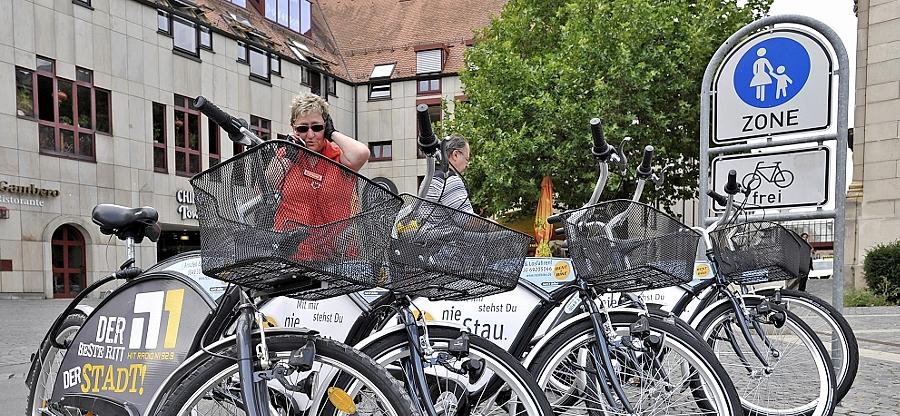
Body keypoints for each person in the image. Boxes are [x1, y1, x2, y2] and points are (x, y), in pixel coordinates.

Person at [267, 92, 370, 259]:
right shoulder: (288, 155)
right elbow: (271, 180)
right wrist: (289, 155)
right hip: (293, 253)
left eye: (317, 127)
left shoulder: (338, 156)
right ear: (293, 128)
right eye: (302, 128)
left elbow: (361, 153)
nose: (310, 135)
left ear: (326, 126)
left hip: (336, 254)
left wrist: (333, 133)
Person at [425, 134, 473, 213]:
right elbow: (467, 220)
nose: (467, 165)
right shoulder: (450, 180)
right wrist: (489, 224)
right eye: (467, 159)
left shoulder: (434, 177)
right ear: (455, 155)